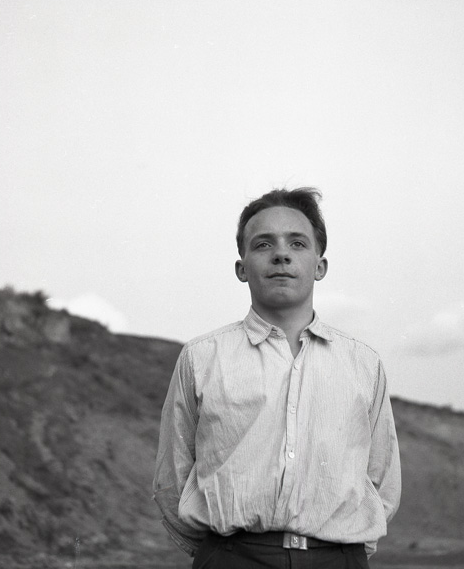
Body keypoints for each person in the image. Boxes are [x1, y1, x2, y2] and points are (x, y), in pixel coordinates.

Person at [153, 187, 401, 569]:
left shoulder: (363, 365)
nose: (281, 254)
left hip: (338, 559)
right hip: (232, 558)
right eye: (263, 244)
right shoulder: (202, 358)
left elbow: (382, 481)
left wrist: (343, 553)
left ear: (320, 266)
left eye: (297, 243)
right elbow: (172, 479)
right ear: (242, 268)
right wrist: (221, 555)